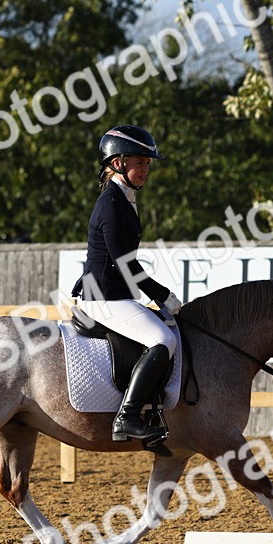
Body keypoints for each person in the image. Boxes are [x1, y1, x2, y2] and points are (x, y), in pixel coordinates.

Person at [71, 125, 183, 444]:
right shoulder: (111, 204)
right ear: (118, 162)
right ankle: (128, 416)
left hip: (111, 292)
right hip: (104, 298)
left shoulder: (124, 198)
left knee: (166, 329)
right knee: (163, 339)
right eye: (140, 162)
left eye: (148, 163)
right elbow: (126, 263)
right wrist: (165, 297)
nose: (146, 169)